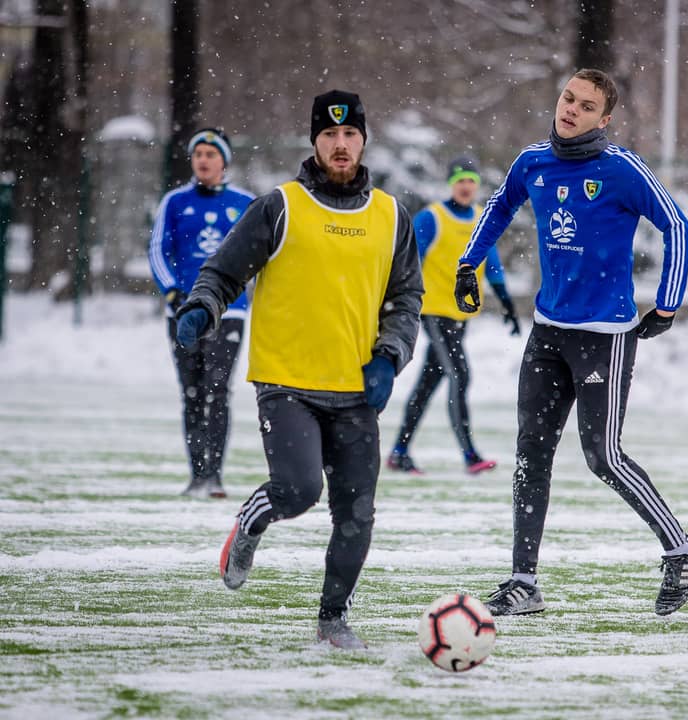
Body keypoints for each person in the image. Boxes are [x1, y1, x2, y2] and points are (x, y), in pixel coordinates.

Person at [173, 90, 423, 649]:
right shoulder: (279, 207)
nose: (340, 144)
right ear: (315, 141)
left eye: (350, 134)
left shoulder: (391, 216)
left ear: (363, 141)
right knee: (298, 490)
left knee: (357, 513)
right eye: (329, 135)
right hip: (286, 382)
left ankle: (333, 621)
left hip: (356, 389)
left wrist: (390, 355)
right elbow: (224, 271)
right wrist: (202, 307)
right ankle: (252, 521)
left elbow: (406, 299)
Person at [456, 68, 688, 617]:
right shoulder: (532, 162)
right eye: (568, 98)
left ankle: (680, 549)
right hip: (548, 331)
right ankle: (524, 583)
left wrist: (667, 304)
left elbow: (677, 226)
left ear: (604, 119)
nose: (571, 109)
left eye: (586, 106)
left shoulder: (620, 169)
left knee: (603, 457)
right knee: (531, 453)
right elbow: (498, 206)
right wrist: (468, 263)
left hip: (604, 337)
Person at [386, 155, 520, 476]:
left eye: (471, 180)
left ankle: (399, 452)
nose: (466, 186)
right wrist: (398, 300)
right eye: (460, 180)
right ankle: (470, 456)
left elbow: (493, 265)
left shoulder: (482, 218)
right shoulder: (431, 218)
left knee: (429, 381)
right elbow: (409, 261)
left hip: (461, 316)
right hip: (434, 313)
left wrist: (507, 304)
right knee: (460, 375)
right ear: (450, 184)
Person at [149, 128, 255, 498]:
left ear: (224, 161)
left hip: (230, 312)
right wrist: (173, 291)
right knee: (192, 392)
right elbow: (157, 250)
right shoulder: (175, 202)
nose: (203, 160)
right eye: (198, 155)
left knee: (218, 390)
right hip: (183, 312)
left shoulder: (244, 203)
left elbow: (259, 255)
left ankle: (214, 476)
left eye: (211, 154)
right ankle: (196, 475)